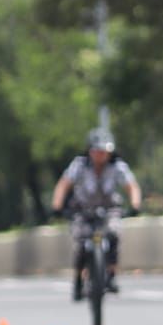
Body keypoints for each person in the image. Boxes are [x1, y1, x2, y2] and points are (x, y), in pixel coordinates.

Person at [51, 128, 142, 299]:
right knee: (80, 243)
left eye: (104, 152)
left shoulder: (117, 166)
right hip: (83, 210)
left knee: (114, 233)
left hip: (109, 210)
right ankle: (78, 279)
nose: (100, 155)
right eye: (97, 151)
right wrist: (57, 206)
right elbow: (63, 185)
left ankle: (111, 275)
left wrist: (135, 205)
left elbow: (132, 186)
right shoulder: (79, 165)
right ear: (90, 151)